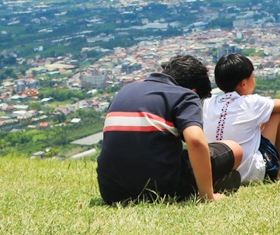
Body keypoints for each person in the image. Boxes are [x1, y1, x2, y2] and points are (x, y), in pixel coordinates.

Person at [97, 55, 244, 204]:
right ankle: (205, 187)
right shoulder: (185, 95)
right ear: (194, 90)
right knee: (235, 149)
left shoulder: (125, 90)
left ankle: (204, 184)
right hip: (161, 187)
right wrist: (207, 196)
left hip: (111, 191)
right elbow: (196, 141)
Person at [203, 53, 280, 184]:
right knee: (275, 114)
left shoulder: (209, 103)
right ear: (243, 83)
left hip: (217, 171)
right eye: (252, 77)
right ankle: (276, 173)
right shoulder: (251, 102)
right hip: (250, 173)